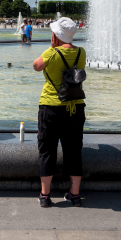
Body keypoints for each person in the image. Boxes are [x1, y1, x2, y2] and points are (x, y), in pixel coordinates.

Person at [32, 17, 86, 208]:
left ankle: (45, 196)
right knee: (74, 150)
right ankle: (75, 194)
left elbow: (36, 66)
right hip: (75, 106)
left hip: (51, 106)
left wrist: (51, 48)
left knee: (47, 149)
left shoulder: (51, 53)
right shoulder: (81, 52)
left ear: (56, 35)